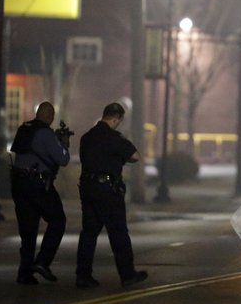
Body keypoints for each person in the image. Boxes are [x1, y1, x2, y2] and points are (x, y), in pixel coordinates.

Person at [75, 102, 147, 288]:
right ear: (116, 119)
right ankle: (127, 274)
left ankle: (83, 275)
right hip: (108, 191)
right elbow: (136, 156)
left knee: (89, 233)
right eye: (119, 121)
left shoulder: (87, 137)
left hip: (88, 189)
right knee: (119, 233)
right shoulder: (114, 138)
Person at [9, 102, 71, 285]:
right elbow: (63, 159)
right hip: (38, 183)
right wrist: (64, 144)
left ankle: (24, 273)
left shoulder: (25, 129)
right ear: (50, 116)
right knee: (58, 220)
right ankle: (43, 261)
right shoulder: (46, 133)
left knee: (28, 230)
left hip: (19, 184)